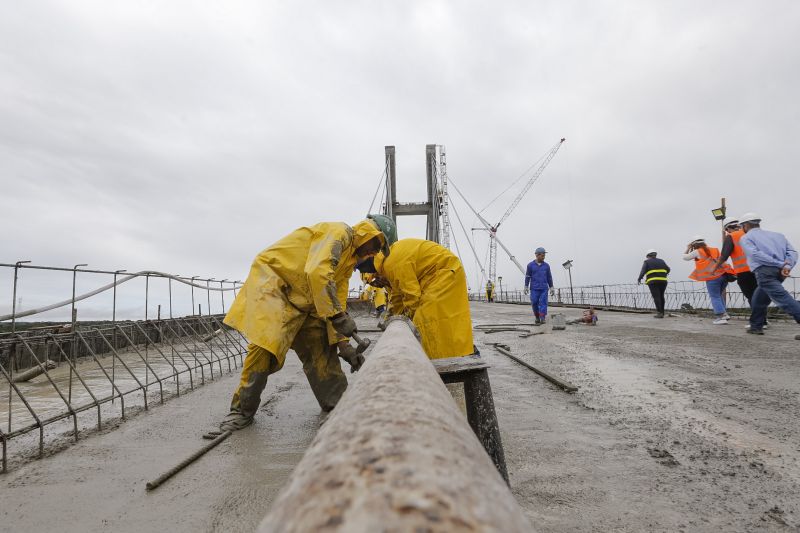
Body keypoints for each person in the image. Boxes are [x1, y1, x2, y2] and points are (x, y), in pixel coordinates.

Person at [211, 214, 397, 434]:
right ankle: (240, 412)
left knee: (321, 348)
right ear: (370, 233)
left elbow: (336, 299)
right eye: (376, 246)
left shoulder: (348, 264)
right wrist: (338, 316)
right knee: (265, 348)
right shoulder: (340, 233)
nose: (373, 254)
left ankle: (337, 407)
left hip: (308, 300)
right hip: (276, 287)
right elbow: (317, 271)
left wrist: (344, 344)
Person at [365, 238, 474, 359]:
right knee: (440, 323)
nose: (378, 286)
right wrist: (392, 317)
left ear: (375, 274)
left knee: (425, 321)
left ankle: (441, 359)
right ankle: (454, 353)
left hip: (443, 271)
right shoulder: (387, 270)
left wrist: (407, 319)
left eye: (374, 283)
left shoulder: (392, 264)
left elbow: (411, 296)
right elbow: (397, 298)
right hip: (435, 274)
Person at [737, 212, 800, 335]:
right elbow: (792, 252)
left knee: (782, 298)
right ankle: (756, 326)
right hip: (781, 272)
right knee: (758, 299)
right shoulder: (778, 236)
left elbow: (755, 254)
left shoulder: (746, 238)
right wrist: (787, 265)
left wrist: (778, 263)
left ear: (745, 225)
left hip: (765, 271)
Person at [684, 236, 734, 325]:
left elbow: (685, 257)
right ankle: (725, 314)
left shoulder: (697, 251)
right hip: (723, 275)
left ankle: (721, 317)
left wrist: (688, 248)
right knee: (719, 295)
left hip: (712, 277)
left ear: (694, 245)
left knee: (715, 296)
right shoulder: (715, 249)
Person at [714, 217, 758, 307]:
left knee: (751, 296)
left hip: (744, 272)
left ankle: (759, 319)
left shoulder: (731, 236)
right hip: (759, 269)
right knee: (759, 294)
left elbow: (724, 256)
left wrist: (715, 268)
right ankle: (761, 317)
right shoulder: (750, 233)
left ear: (728, 228)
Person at [524, 247, 554, 325]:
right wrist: (526, 286)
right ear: (537, 255)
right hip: (534, 288)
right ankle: (537, 317)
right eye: (542, 255)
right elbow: (527, 276)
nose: (544, 257)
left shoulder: (546, 266)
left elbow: (549, 277)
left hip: (544, 288)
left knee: (543, 303)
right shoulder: (530, 265)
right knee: (534, 302)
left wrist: (551, 287)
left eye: (544, 255)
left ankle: (542, 318)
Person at [637, 249, 670, 318]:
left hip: (653, 282)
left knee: (656, 297)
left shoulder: (647, 262)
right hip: (663, 281)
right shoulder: (662, 261)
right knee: (661, 296)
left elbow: (643, 271)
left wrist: (639, 278)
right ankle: (662, 312)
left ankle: (659, 313)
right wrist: (664, 274)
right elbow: (668, 269)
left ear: (648, 256)